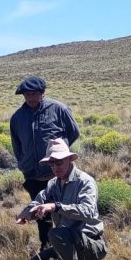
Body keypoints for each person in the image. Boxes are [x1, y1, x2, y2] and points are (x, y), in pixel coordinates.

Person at [9, 75, 80, 249]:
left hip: (58, 172)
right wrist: (24, 163)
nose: (30, 98)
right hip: (34, 175)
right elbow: (16, 144)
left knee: (66, 209)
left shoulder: (59, 109)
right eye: (27, 95)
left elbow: (73, 132)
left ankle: (72, 244)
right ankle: (46, 246)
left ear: (43, 93)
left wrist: (60, 156)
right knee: (40, 212)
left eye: (34, 94)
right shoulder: (17, 117)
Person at [16, 138, 106, 260]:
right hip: (66, 243)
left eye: (58, 162)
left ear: (69, 159)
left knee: (57, 234)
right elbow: (40, 200)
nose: (54, 167)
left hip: (91, 244)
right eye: (51, 163)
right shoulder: (53, 183)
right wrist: (28, 212)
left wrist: (56, 207)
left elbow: (87, 211)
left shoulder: (85, 182)